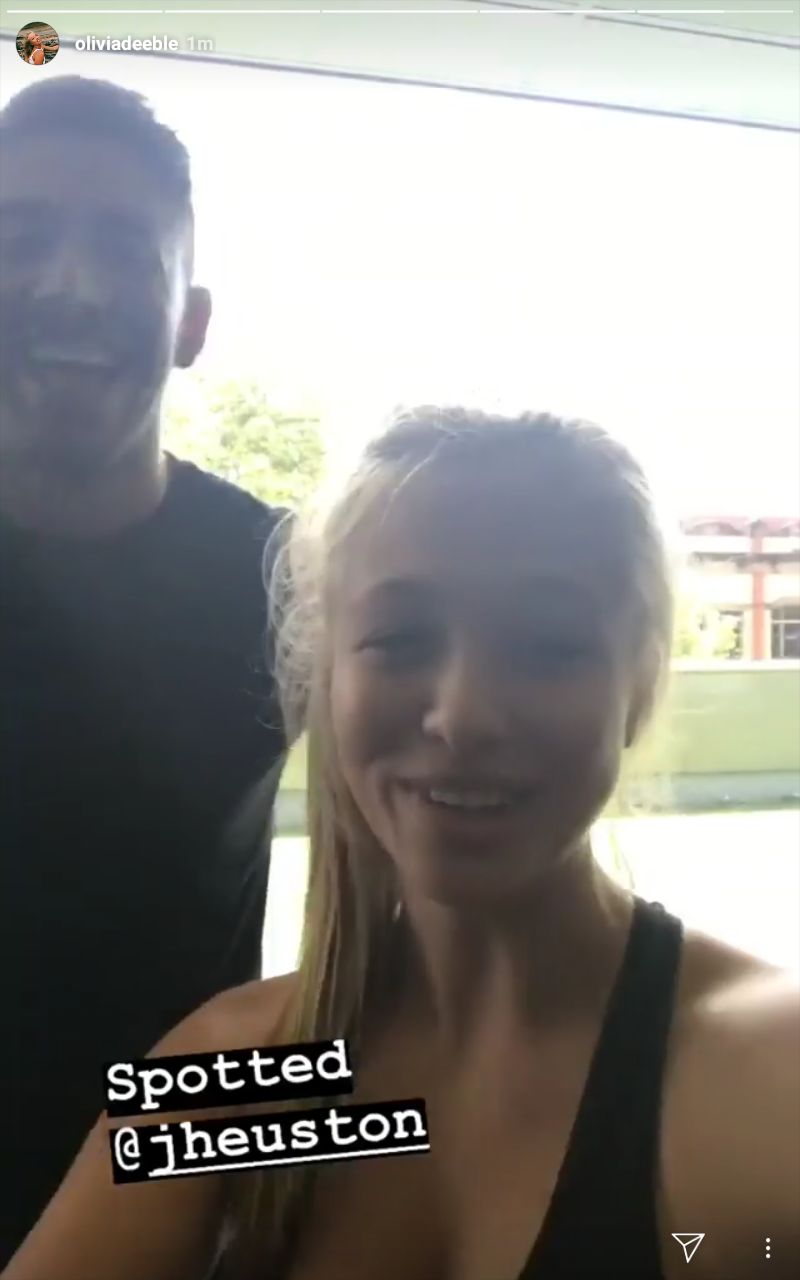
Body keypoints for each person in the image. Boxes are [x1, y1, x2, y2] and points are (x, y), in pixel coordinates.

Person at [5, 406, 799, 1280]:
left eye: (547, 647)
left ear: (639, 686)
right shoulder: (231, 1077)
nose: (464, 716)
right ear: (326, 680)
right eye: (400, 640)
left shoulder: (763, 1071)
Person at [0, 78, 290, 1268]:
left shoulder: (287, 584)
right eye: (23, 238)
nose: (71, 284)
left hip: (178, 1212)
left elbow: (432, 922)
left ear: (190, 321)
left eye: (124, 248)